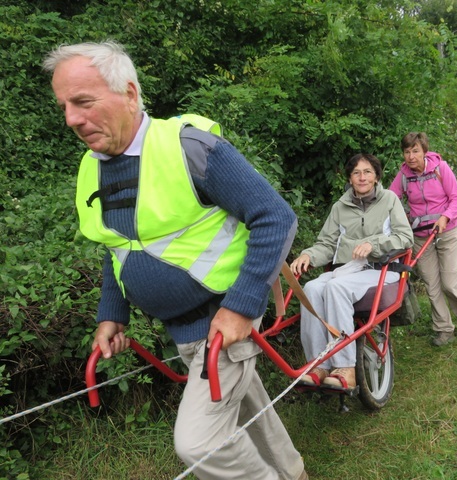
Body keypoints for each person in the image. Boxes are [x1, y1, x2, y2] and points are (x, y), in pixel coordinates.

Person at [43, 41, 307, 480]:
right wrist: (113, 314)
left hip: (222, 323)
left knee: (198, 444)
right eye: (65, 106)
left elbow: (275, 217)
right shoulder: (92, 167)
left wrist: (241, 306)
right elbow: (120, 248)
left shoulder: (189, 148)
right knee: (247, 406)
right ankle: (292, 471)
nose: (71, 118)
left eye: (83, 102)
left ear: (129, 93)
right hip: (184, 330)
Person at [290, 154, 413, 389]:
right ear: (350, 178)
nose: (362, 177)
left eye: (367, 172)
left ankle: (345, 367)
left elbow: (405, 238)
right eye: (356, 173)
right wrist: (308, 255)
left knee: (336, 288)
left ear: (376, 176)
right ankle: (318, 364)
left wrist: (374, 244)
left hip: (381, 268)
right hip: (347, 269)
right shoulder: (340, 207)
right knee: (311, 288)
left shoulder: (389, 200)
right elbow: (326, 244)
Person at [389, 132, 457, 346]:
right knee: (432, 284)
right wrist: (402, 219)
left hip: (447, 232)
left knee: (450, 283)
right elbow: (390, 200)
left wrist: (445, 217)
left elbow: (456, 198)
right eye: (407, 152)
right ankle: (444, 328)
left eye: (415, 151)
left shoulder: (440, 168)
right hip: (420, 237)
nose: (411, 156)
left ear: (424, 151)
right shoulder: (403, 175)